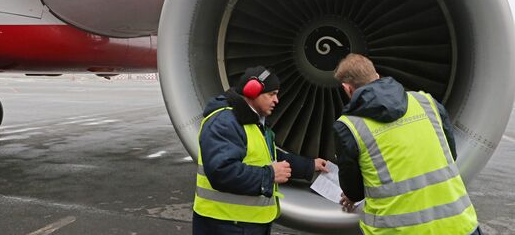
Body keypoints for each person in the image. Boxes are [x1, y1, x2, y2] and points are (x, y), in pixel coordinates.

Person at [333, 53, 482, 235]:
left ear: (347, 88)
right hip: (459, 226)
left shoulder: (349, 126)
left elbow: (355, 192)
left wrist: (350, 195)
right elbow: (450, 154)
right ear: (377, 76)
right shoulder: (426, 102)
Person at [192, 66, 328, 235]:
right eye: (271, 94)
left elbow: (267, 156)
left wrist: (309, 166)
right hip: (225, 224)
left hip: (246, 223)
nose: (277, 100)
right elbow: (221, 172)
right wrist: (269, 175)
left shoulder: (252, 121)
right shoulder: (225, 122)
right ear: (252, 91)